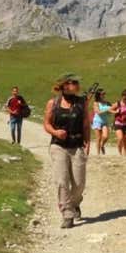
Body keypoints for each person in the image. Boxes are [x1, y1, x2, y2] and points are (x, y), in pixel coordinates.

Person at [43, 73, 91, 229]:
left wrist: (88, 141)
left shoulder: (82, 103)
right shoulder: (53, 103)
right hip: (58, 146)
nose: (76, 85)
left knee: (79, 183)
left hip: (77, 145)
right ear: (64, 85)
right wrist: (56, 132)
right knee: (62, 181)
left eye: (77, 83)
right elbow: (47, 124)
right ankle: (67, 214)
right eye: (73, 83)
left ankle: (75, 203)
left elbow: (85, 124)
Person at [92, 89, 117, 155]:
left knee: (106, 136)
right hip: (97, 121)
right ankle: (98, 153)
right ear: (99, 95)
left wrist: (116, 111)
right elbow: (98, 112)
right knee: (98, 138)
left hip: (105, 122)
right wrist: (107, 110)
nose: (104, 95)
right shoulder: (96, 103)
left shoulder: (107, 102)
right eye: (102, 94)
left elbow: (111, 110)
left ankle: (102, 145)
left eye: (104, 94)